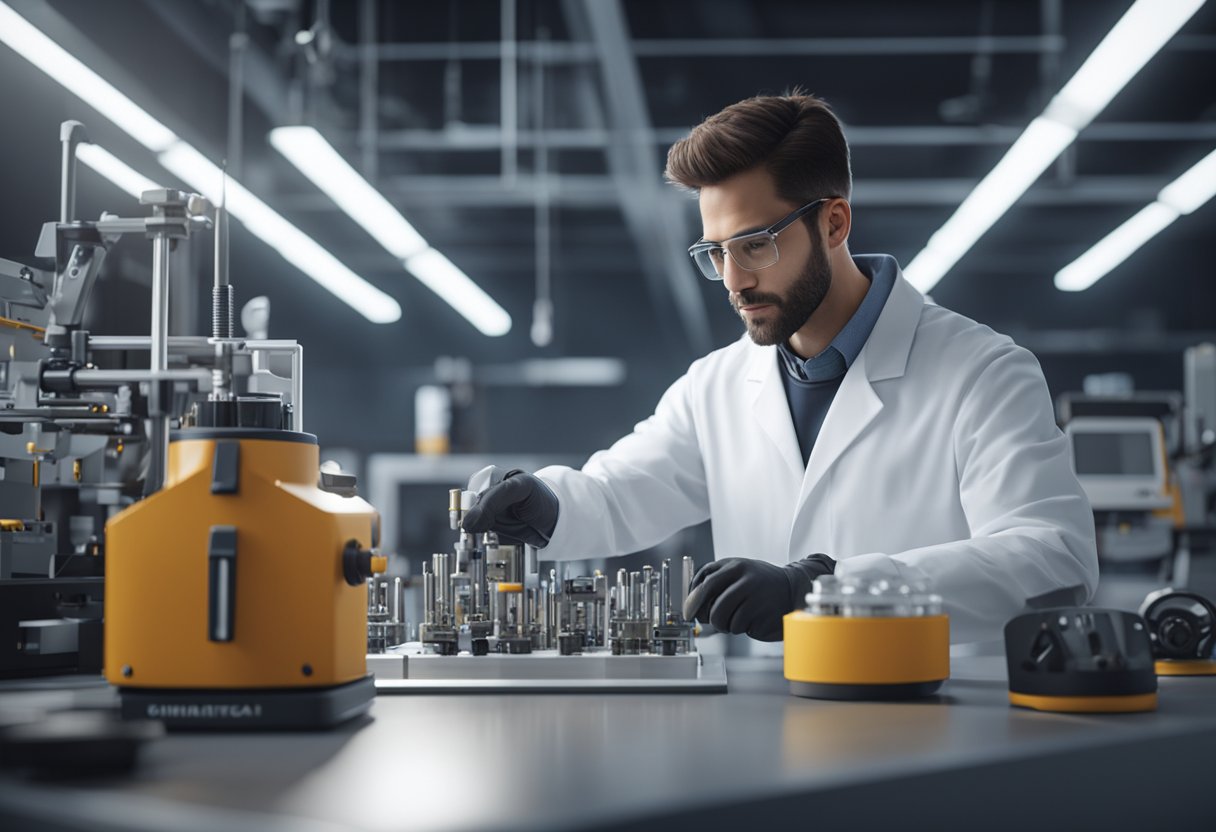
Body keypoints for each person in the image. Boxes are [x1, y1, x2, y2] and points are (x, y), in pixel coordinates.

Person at [462, 92, 1098, 647]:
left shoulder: (982, 372)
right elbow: (618, 494)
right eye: (715, 252)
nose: (734, 280)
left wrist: (827, 588)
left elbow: (1051, 558)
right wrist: (545, 506)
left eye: (755, 244)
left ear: (833, 221)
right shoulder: (716, 385)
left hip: (939, 724)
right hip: (775, 728)